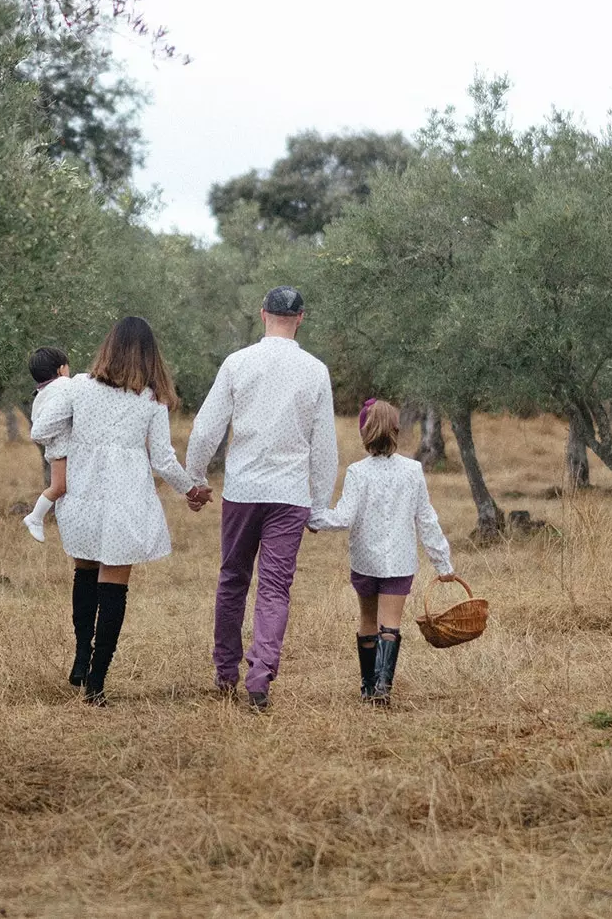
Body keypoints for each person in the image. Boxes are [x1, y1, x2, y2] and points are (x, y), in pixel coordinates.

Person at [32, 317, 212, 705]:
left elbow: (41, 428)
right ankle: (96, 682)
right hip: (127, 501)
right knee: (113, 587)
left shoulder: (79, 387)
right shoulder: (151, 399)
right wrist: (192, 490)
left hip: (83, 494)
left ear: (108, 347)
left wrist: (73, 446)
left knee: (84, 573)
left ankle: (81, 657)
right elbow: (163, 460)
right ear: (150, 355)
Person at [185, 285, 338, 712]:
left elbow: (205, 428)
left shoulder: (238, 363)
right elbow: (324, 444)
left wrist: (196, 477)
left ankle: (225, 670)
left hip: (243, 490)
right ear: (301, 318)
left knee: (232, 579)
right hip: (290, 494)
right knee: (275, 587)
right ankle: (260, 675)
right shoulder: (315, 370)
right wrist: (321, 504)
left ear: (262, 314)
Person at [308, 398, 457, 706]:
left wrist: (314, 517)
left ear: (365, 432)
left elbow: (344, 517)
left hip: (365, 560)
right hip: (400, 562)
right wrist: (443, 564)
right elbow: (426, 518)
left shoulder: (357, 472)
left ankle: (366, 686)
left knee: (367, 620)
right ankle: (383, 687)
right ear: (396, 429)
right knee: (390, 623)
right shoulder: (412, 470)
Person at [22, 346, 71, 543]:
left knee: (61, 488)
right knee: (59, 487)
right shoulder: (64, 386)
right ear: (60, 370)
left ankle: (36, 517)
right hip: (62, 451)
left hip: (56, 450)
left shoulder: (43, 393)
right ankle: (35, 517)